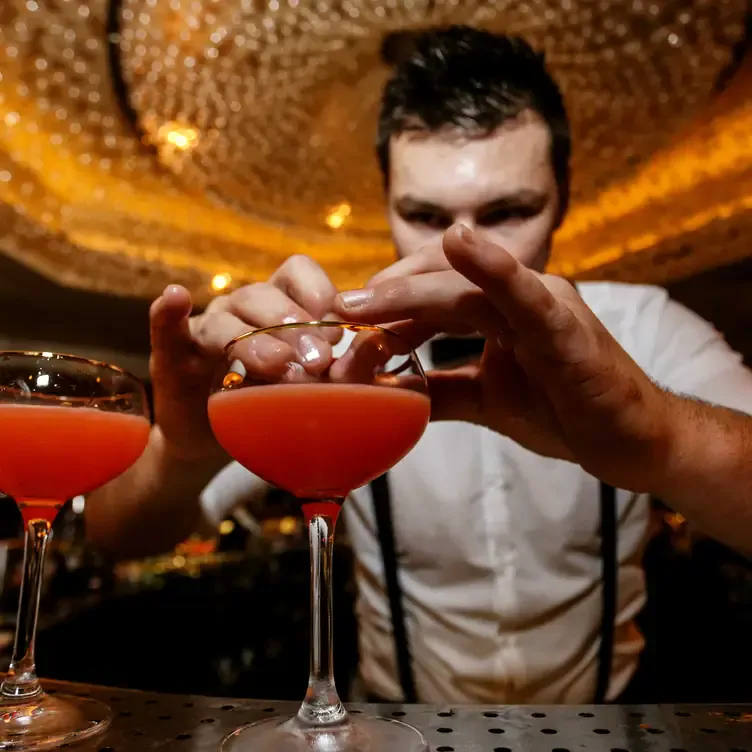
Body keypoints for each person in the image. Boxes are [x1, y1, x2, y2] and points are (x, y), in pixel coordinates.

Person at [86, 26, 752, 704]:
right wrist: (184, 452)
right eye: (425, 215)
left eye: (509, 211)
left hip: (609, 725)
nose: (462, 254)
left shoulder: (646, 327)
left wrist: (664, 437)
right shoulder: (330, 348)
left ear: (564, 197)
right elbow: (116, 533)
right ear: (388, 205)